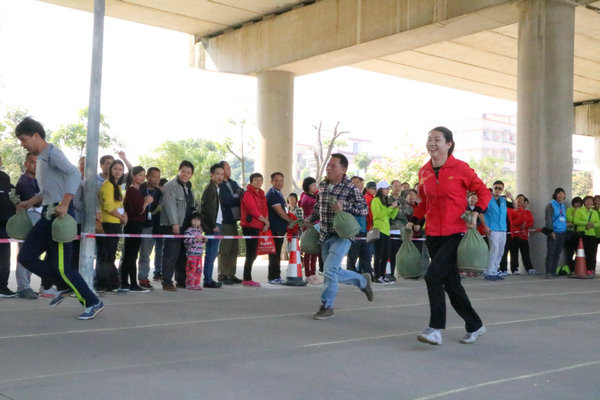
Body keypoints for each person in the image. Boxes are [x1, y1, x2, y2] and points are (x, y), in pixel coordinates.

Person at [407, 126, 489, 345]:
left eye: (437, 139)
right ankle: (475, 325)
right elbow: (424, 202)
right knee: (451, 284)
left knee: (433, 275)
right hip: (433, 233)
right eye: (429, 139)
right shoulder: (424, 171)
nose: (432, 143)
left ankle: (435, 328)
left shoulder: (460, 168)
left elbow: (483, 191)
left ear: (449, 144)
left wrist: (476, 211)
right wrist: (414, 220)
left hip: (456, 233)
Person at [15, 117, 103, 319]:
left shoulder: (53, 153)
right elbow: (48, 191)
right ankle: (64, 285)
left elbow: (73, 174)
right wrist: (29, 202)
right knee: (26, 256)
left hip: (60, 215)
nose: (23, 145)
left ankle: (93, 301)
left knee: (63, 268)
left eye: (23, 139)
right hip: (48, 212)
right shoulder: (43, 159)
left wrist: (65, 203)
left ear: (36, 136)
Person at [305, 153, 374, 320]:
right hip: (324, 235)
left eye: (333, 166)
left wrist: (345, 206)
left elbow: (364, 209)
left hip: (342, 235)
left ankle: (327, 306)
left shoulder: (350, 188)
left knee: (329, 270)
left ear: (343, 169)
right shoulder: (322, 185)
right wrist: (308, 220)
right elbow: (318, 209)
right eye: (328, 165)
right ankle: (362, 281)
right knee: (332, 271)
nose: (328, 168)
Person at [160, 160, 196, 291]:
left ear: (191, 175)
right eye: (183, 171)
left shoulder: (188, 188)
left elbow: (192, 206)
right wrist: (174, 224)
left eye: (188, 172)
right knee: (171, 253)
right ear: (179, 171)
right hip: (174, 226)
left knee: (182, 254)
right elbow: (170, 207)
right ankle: (167, 282)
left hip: (186, 226)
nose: (185, 174)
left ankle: (181, 280)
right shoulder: (170, 186)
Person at [14, 153, 46, 299]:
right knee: (25, 252)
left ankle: (26, 286)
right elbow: (37, 201)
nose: (35, 165)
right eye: (32, 162)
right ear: (26, 164)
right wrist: (40, 197)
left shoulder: (39, 180)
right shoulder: (23, 181)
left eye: (38, 163)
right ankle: (23, 287)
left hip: (39, 217)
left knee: (33, 253)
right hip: (28, 218)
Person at [120, 166, 153, 293]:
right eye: (140, 175)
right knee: (131, 255)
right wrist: (146, 202)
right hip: (133, 225)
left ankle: (126, 282)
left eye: (143, 175)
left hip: (137, 225)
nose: (142, 177)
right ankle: (130, 283)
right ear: (133, 176)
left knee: (131, 255)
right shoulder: (132, 191)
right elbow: (138, 210)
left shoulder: (137, 190)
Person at [97, 160, 128, 293]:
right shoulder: (107, 185)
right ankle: (110, 285)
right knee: (107, 256)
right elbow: (108, 206)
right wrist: (120, 216)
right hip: (108, 224)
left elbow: (119, 205)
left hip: (115, 223)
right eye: (115, 169)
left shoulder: (116, 185)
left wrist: (124, 215)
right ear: (110, 170)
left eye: (120, 170)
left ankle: (105, 284)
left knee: (109, 255)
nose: (118, 172)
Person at [240, 172, 269, 287]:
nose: (258, 182)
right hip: (250, 226)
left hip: (259, 226)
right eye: (256, 180)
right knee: (251, 253)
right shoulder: (247, 194)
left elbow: (265, 208)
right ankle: (247, 278)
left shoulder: (261, 193)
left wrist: (266, 222)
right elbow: (253, 210)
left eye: (260, 180)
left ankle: (247, 277)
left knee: (254, 253)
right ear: (251, 181)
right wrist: (265, 221)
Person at [480, 180, 513, 281]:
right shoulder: (487, 199)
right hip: (492, 228)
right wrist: (485, 226)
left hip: (502, 229)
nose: (497, 190)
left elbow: (515, 207)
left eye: (500, 189)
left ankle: (494, 271)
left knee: (500, 251)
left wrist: (511, 197)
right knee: (494, 250)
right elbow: (481, 213)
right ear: (493, 188)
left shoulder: (503, 200)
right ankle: (489, 272)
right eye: (496, 188)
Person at [217, 160, 243, 285]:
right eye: (227, 168)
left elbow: (241, 193)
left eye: (229, 167)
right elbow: (227, 200)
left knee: (234, 248)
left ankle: (231, 274)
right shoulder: (220, 184)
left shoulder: (233, 183)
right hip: (225, 220)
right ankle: (222, 275)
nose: (229, 170)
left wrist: (236, 196)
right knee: (225, 248)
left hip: (234, 219)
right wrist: (236, 196)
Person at [200, 163, 225, 288]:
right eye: (217, 174)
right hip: (214, 226)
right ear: (211, 175)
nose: (220, 176)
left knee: (213, 253)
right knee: (211, 253)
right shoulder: (210, 189)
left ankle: (209, 278)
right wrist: (213, 224)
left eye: (222, 174)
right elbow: (207, 209)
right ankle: (207, 279)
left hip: (217, 223)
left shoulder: (216, 188)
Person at [138, 167, 162, 288]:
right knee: (129, 253)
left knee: (145, 254)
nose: (156, 179)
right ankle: (122, 276)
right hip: (136, 224)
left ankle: (143, 278)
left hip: (150, 226)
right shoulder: (139, 188)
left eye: (158, 176)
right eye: (153, 176)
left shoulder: (159, 192)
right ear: (147, 176)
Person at [266, 172, 292, 285]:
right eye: (276, 181)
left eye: (281, 180)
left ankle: (276, 275)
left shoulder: (278, 193)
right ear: (271, 181)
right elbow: (280, 212)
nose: (279, 183)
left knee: (277, 252)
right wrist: (291, 221)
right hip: (275, 228)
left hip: (280, 228)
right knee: (274, 253)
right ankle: (273, 277)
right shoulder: (272, 194)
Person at [371, 181, 399, 284]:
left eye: (388, 189)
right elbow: (378, 215)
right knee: (379, 255)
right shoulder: (375, 200)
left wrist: (395, 209)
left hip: (386, 231)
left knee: (385, 255)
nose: (388, 190)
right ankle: (377, 276)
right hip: (378, 230)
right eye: (386, 188)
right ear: (380, 190)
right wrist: (390, 207)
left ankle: (382, 275)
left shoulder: (384, 201)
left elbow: (391, 216)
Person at [388, 179, 413, 280]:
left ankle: (403, 272)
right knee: (392, 254)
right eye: (395, 186)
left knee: (402, 252)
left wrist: (399, 209)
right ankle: (390, 273)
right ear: (391, 187)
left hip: (403, 228)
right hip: (392, 229)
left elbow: (410, 211)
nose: (398, 188)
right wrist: (399, 210)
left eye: (399, 186)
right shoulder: (388, 199)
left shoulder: (403, 200)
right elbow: (391, 214)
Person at [508, 194, 537, 275]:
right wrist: (518, 224)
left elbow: (531, 222)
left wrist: (526, 226)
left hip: (523, 236)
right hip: (514, 235)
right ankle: (514, 269)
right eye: (519, 199)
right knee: (514, 253)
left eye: (522, 200)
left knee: (526, 253)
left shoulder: (527, 212)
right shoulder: (512, 210)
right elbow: (510, 221)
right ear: (516, 200)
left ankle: (529, 268)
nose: (520, 201)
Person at [299, 177, 320, 285]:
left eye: (315, 185)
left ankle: (313, 273)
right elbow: (312, 213)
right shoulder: (307, 198)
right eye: (312, 185)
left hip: (316, 226)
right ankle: (308, 275)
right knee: (308, 252)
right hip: (310, 226)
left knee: (315, 251)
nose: (315, 187)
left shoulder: (314, 196)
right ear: (307, 187)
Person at [544, 188, 568, 278]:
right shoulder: (551, 205)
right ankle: (548, 272)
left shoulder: (562, 206)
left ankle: (553, 271)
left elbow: (561, 218)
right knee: (551, 252)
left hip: (563, 232)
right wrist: (551, 231)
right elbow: (548, 219)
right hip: (554, 232)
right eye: (559, 193)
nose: (561, 195)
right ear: (555, 195)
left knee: (557, 253)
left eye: (562, 193)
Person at [0, 169, 16, 298]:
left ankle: (2, 287)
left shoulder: (8, 184)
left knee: (4, 258)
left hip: (5, 226)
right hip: (5, 226)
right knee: (4, 258)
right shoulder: (9, 185)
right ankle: (2, 287)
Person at [573, 195, 599, 277]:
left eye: (591, 201)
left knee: (592, 253)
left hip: (592, 235)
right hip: (582, 234)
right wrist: (586, 224)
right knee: (585, 253)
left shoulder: (594, 212)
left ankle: (592, 269)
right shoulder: (579, 211)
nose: (589, 203)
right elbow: (576, 221)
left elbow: (598, 223)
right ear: (584, 202)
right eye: (587, 201)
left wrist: (592, 225)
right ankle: (585, 269)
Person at [184, 212, 207, 290]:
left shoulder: (200, 230)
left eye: (198, 220)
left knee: (199, 269)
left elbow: (201, 241)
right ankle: (190, 283)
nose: (196, 222)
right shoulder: (189, 230)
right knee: (191, 268)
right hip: (191, 253)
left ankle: (196, 283)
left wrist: (204, 240)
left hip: (199, 254)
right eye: (194, 220)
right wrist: (195, 239)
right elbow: (186, 240)